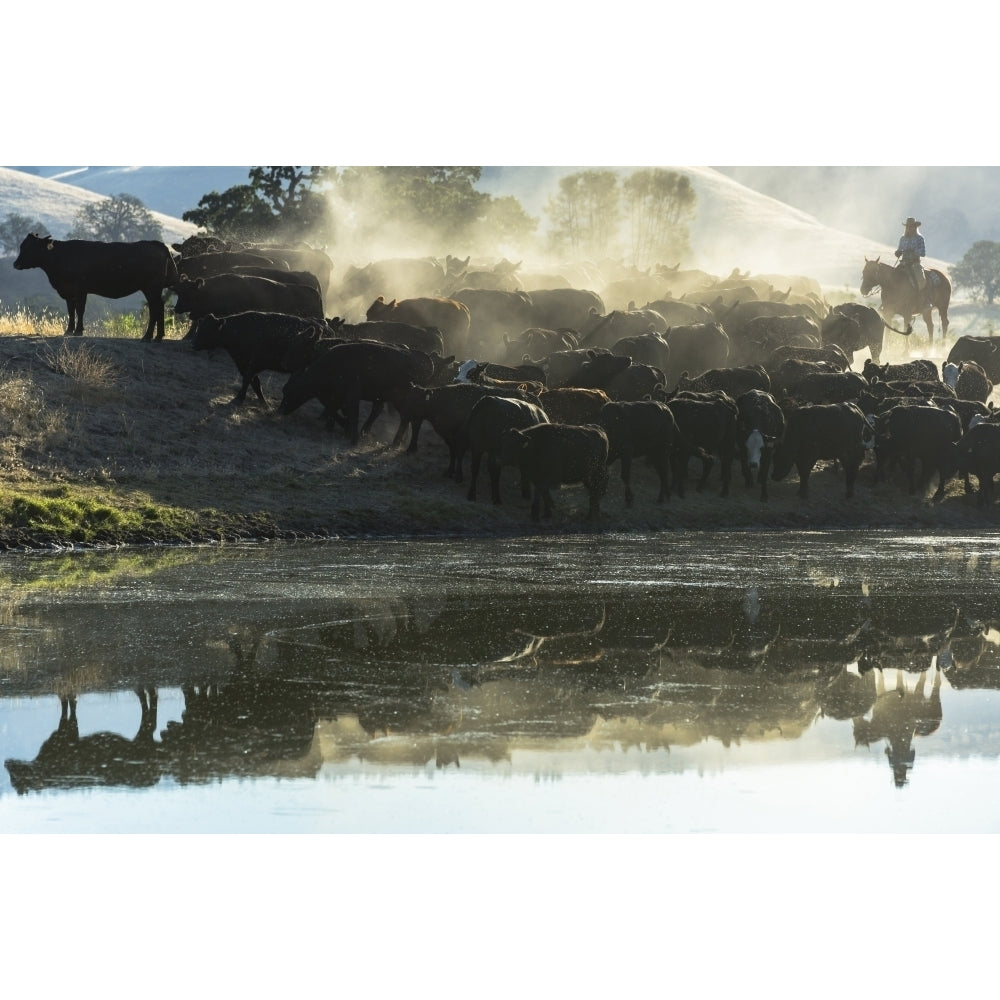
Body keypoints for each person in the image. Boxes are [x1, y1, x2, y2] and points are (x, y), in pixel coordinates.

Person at [895, 217, 926, 299]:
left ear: (915, 227)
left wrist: (913, 251)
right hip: (903, 263)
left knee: (920, 280)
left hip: (915, 264)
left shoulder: (920, 238)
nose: (909, 228)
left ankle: (923, 300)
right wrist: (897, 252)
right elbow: (899, 249)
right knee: (893, 277)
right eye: (907, 227)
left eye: (911, 226)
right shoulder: (903, 238)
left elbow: (923, 253)